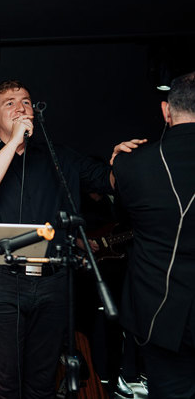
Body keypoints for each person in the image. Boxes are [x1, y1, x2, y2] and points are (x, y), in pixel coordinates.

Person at [0, 80, 123, 399]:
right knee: (4, 384)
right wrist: (14, 143)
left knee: (42, 383)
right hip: (1, 282)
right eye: (9, 103)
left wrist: (123, 163)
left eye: (26, 101)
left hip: (53, 281)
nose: (21, 107)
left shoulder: (60, 156)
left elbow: (110, 181)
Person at [112, 71, 195, 399]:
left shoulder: (131, 165)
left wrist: (116, 166)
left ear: (166, 111)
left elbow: (122, 218)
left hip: (159, 314)